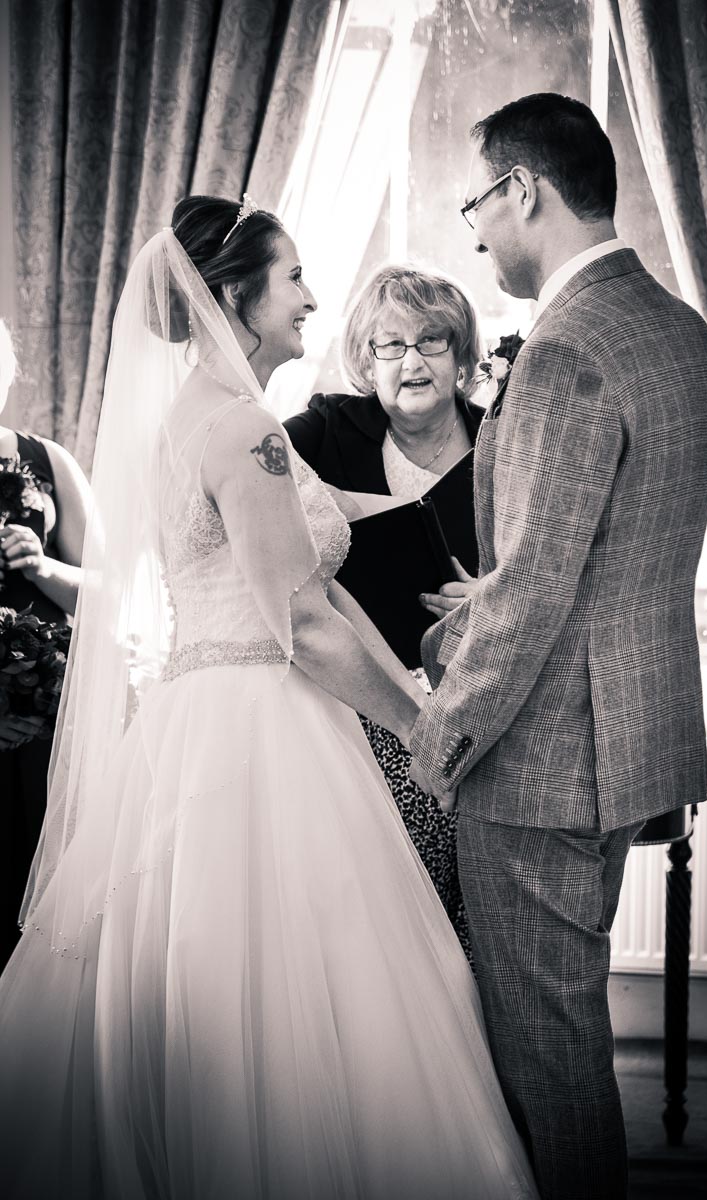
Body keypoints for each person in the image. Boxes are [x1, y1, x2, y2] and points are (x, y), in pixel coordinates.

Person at [0, 195, 536, 1200]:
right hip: (262, 720)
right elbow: (301, 619)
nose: (311, 300)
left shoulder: (194, 419)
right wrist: (421, 730)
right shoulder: (245, 428)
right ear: (238, 295)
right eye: (293, 278)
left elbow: (317, 570)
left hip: (199, 714)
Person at [408, 93, 707, 1200]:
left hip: (540, 766)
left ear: (524, 190)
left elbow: (534, 593)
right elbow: (609, 558)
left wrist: (436, 745)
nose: (475, 235)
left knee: (547, 1062)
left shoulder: (565, 347)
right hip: (625, 746)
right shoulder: (678, 327)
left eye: (476, 206)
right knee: (571, 1035)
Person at [284, 264, 482, 955]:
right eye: (390, 345)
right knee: (388, 922)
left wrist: (492, 594)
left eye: (431, 341)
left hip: (481, 698)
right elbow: (247, 487)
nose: (412, 361)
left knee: (479, 913)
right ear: (366, 362)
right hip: (365, 706)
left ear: (461, 355)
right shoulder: (325, 430)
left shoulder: (505, 441)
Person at [0, 318, 91, 968]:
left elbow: (108, 590)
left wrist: (41, 567)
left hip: (46, 725)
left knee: (39, 906)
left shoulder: (48, 461)